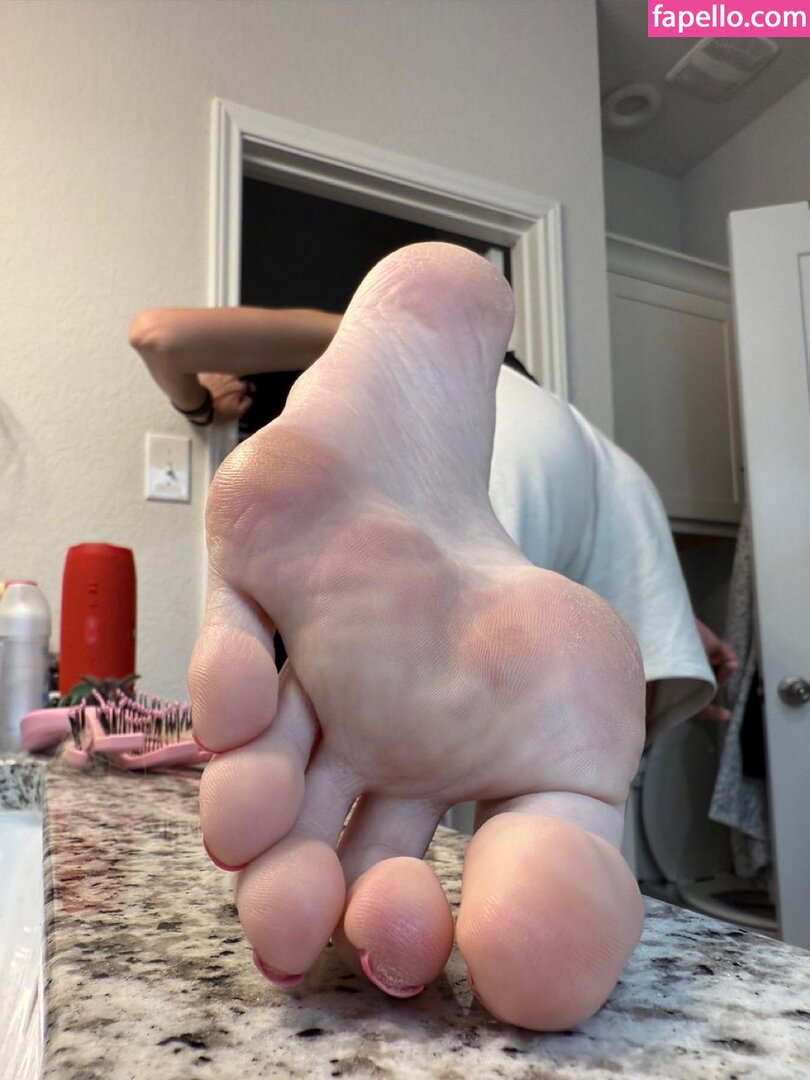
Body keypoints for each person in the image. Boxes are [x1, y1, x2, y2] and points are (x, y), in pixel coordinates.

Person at [129, 244, 737, 1031]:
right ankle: (562, 840)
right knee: (564, 776)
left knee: (406, 750)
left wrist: (199, 403)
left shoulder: (372, 364)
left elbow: (158, 334)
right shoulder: (561, 423)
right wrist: (684, 631)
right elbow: (624, 604)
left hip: (430, 482)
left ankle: (496, 881)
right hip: (604, 484)